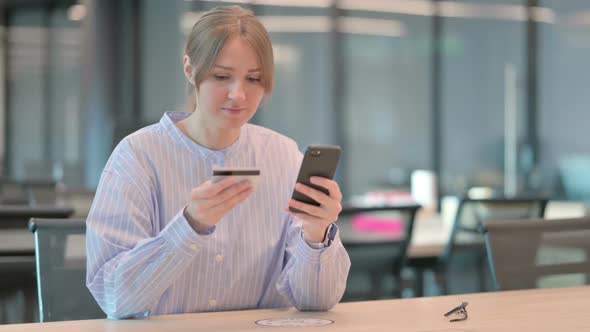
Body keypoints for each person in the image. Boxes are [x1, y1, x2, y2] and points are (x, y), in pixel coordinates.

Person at [86, 5, 351, 319]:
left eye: (254, 79)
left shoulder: (283, 156)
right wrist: (189, 226)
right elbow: (116, 297)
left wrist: (316, 234)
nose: (238, 95)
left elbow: (315, 303)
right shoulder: (138, 157)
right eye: (222, 76)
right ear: (190, 69)